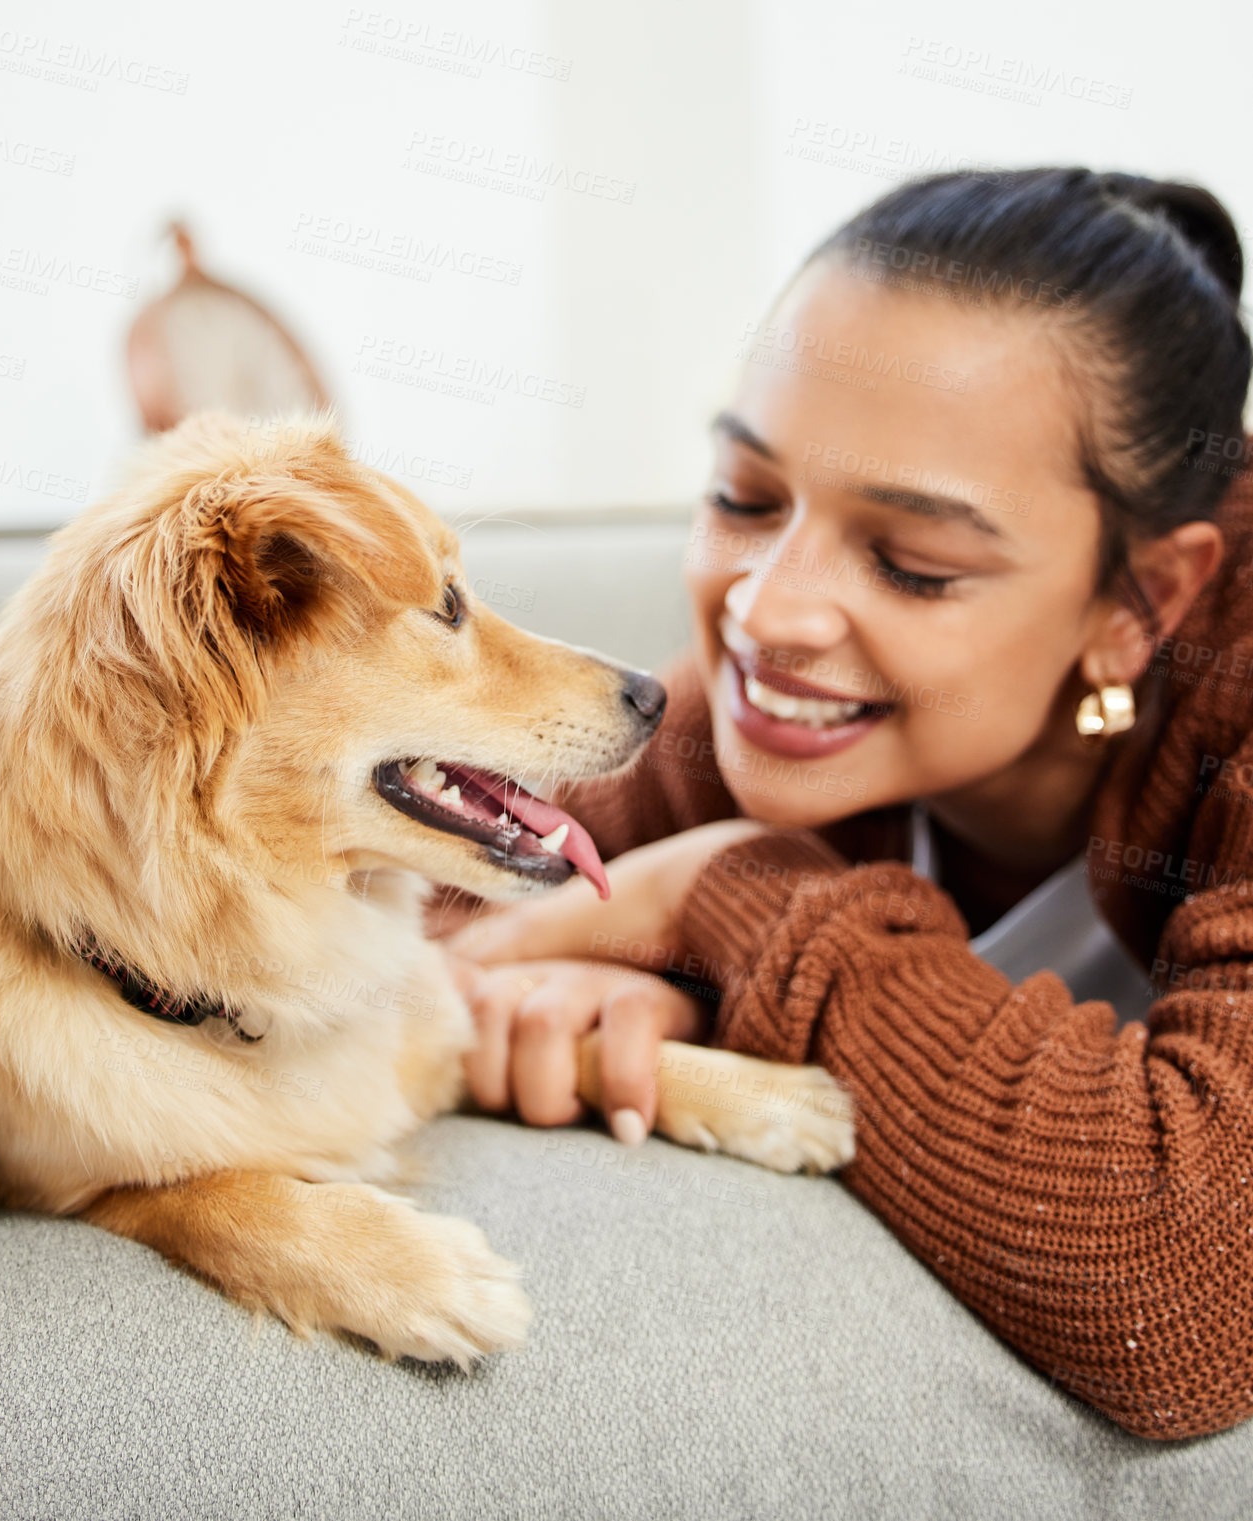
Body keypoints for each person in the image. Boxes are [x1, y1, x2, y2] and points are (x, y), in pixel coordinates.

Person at [439, 166, 1253, 1442]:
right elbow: (376, 951)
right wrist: (675, 992)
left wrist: (725, 894)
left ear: (1140, 603)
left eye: (912, 564)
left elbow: (1184, 1279)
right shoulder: (749, 705)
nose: (763, 612)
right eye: (742, 498)